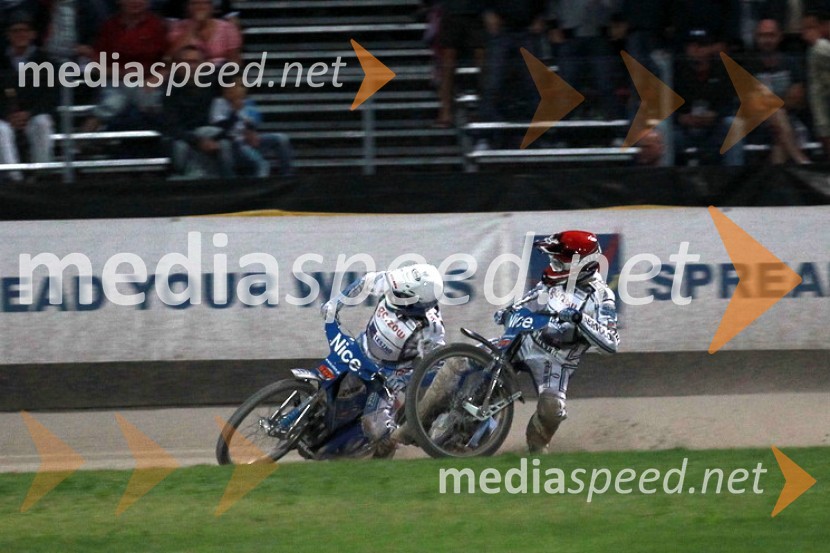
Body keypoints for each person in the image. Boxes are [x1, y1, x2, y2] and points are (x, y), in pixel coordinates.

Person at [494, 231, 620, 453]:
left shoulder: (602, 297)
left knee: (552, 410)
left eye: (559, 261)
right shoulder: (554, 280)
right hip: (525, 339)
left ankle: (536, 451)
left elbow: (611, 343)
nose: (553, 265)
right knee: (467, 360)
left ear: (582, 264)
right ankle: (419, 420)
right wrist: (510, 310)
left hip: (556, 360)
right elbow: (534, 297)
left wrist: (581, 319)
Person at [320, 264, 446, 458]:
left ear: (418, 302)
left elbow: (433, 367)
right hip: (361, 347)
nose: (393, 294)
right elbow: (364, 283)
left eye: (401, 294)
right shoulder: (397, 280)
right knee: (327, 384)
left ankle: (385, 452)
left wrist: (402, 381)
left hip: (389, 375)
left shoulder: (431, 329)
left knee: (374, 426)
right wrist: (336, 303)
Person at [0, 10, 57, 182]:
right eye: (16, 31)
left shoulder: (45, 61)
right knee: (0, 129)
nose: (20, 35)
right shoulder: (1, 61)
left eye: (24, 30)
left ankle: (42, 176)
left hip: (34, 113)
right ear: (8, 35)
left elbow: (51, 95)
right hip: (7, 116)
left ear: (33, 34)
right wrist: (7, 115)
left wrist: (30, 113)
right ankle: (14, 178)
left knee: (42, 123)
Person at [745, 18, 811, 164]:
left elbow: (798, 99)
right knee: (778, 116)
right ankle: (801, 160)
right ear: (756, 37)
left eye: (771, 35)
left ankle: (776, 184)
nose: (767, 40)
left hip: (789, 121)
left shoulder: (791, 62)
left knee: (779, 133)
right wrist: (783, 101)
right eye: (763, 35)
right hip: (757, 125)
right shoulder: (749, 64)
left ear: (780, 36)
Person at [209, 78, 294, 177]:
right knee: (263, 165)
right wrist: (234, 111)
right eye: (239, 86)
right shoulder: (219, 103)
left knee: (281, 139)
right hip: (233, 144)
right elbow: (221, 130)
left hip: (247, 142)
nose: (244, 89)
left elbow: (251, 122)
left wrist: (251, 131)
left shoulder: (246, 103)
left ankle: (286, 175)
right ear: (227, 88)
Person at [167, 0, 241, 65]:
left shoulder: (227, 28)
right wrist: (192, 28)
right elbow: (173, 56)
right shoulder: (178, 27)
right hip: (188, 73)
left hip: (220, 73)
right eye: (195, 4)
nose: (200, 7)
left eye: (205, 3)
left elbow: (234, 59)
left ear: (212, 7)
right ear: (187, 7)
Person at [802, 10, 830, 158]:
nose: (806, 34)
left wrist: (819, 42)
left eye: (811, 28)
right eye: (804, 29)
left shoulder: (820, 47)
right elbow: (816, 92)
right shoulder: (813, 51)